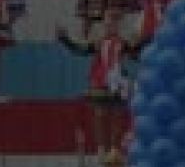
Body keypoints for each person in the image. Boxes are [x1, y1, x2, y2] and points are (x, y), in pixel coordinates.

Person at [57, 11, 142, 153]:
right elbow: (81, 49)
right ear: (104, 25)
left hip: (118, 81)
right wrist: (64, 39)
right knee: (100, 113)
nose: (111, 26)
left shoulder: (123, 43)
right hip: (99, 81)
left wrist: (143, 40)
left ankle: (114, 148)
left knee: (117, 114)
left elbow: (136, 53)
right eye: (108, 23)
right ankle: (101, 148)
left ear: (119, 26)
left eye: (114, 24)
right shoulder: (98, 43)